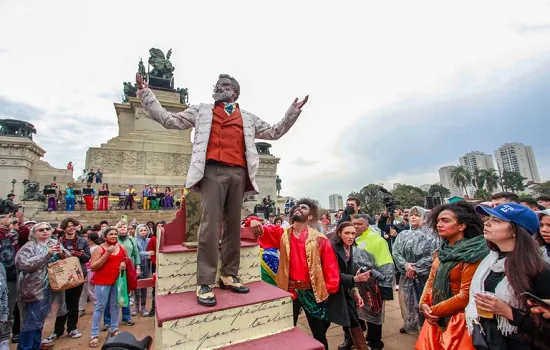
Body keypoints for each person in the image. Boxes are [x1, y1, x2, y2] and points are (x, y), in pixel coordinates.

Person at [137, 72, 308, 306]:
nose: (220, 87)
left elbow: (274, 132)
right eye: (218, 85)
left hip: (239, 173)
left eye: (225, 85)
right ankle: (204, 281)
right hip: (212, 171)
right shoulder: (202, 111)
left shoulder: (247, 117)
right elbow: (169, 120)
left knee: (233, 227)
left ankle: (229, 274)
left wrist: (292, 112)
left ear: (235, 92)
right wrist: (146, 94)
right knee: (210, 225)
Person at [250, 198, 345, 349]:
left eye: (303, 207)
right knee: (285, 333)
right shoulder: (281, 234)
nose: (298, 209)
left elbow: (330, 268)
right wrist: (252, 221)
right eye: (296, 207)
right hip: (289, 292)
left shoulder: (320, 239)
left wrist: (326, 291)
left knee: (319, 335)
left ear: (310, 216)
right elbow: (257, 229)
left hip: (313, 294)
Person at [464, 203, 550, 349]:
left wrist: (509, 313)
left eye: (497, 221)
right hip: (492, 341)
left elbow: (546, 325)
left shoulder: (538, 269)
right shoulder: (490, 262)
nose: (487, 223)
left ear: (516, 231)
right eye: (488, 218)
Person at [416, 202, 489, 350]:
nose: (439, 225)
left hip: (459, 322)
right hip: (435, 318)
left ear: (462, 226)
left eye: (446, 220)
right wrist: (423, 303)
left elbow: (465, 295)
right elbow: (431, 280)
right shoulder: (442, 251)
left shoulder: (474, 253)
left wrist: (432, 311)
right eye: (438, 221)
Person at [15, 222, 65, 350]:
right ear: (34, 233)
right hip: (33, 290)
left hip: (50, 289)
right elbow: (24, 264)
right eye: (41, 230)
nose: (45, 231)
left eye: (47, 229)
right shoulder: (29, 247)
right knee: (30, 322)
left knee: (40, 322)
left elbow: (68, 260)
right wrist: (47, 255)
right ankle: (25, 347)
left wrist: (61, 254)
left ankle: (36, 346)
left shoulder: (53, 244)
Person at [42, 218, 91, 345]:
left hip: (77, 275)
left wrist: (79, 255)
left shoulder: (82, 241)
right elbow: (52, 258)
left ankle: (72, 328)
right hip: (62, 276)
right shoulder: (59, 241)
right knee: (61, 304)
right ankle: (57, 331)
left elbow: (87, 259)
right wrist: (60, 254)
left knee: (74, 303)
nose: (71, 228)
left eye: (73, 226)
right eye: (68, 226)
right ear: (64, 228)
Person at [392, 206, 439, 334]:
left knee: (423, 300)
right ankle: (410, 322)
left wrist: (416, 268)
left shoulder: (432, 236)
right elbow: (396, 252)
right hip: (406, 275)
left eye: (417, 215)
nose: (413, 217)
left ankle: (425, 326)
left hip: (424, 276)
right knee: (408, 300)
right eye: (411, 214)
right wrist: (405, 265)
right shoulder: (403, 234)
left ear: (424, 218)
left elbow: (434, 255)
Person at [331, 222, 370, 350]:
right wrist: (354, 279)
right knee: (324, 323)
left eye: (353, 233)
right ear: (339, 233)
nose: (350, 236)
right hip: (331, 290)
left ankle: (357, 344)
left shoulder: (350, 247)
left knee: (352, 317)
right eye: (347, 233)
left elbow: (350, 270)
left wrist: (355, 291)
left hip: (345, 287)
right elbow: (332, 274)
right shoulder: (332, 247)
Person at [89, 227, 127, 347]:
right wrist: (107, 253)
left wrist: (124, 263)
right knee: (100, 307)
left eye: (115, 234)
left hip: (117, 281)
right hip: (102, 282)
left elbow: (125, 259)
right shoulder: (99, 249)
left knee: (115, 305)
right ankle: (94, 334)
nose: (114, 236)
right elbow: (94, 267)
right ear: (104, 237)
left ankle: (114, 329)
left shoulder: (122, 248)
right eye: (111, 234)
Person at [103, 221, 139, 327]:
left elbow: (135, 254)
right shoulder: (112, 240)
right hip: (110, 271)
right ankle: (107, 321)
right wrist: (116, 225)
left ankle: (126, 317)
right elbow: (103, 234)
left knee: (124, 293)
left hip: (125, 271)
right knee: (109, 296)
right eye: (120, 227)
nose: (122, 229)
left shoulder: (132, 240)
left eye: (125, 227)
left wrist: (137, 266)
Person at [78, 232, 101, 317]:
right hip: (83, 270)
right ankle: (81, 308)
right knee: (82, 290)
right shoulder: (86, 247)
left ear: (89, 239)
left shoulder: (97, 248)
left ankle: (96, 307)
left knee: (91, 290)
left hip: (92, 271)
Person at [133, 224, 151, 317]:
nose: (143, 232)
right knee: (136, 285)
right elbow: (136, 253)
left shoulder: (149, 240)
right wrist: (148, 253)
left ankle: (143, 306)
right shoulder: (135, 240)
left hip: (147, 265)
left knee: (144, 285)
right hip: (137, 265)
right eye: (141, 230)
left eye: (145, 230)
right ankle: (136, 306)